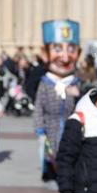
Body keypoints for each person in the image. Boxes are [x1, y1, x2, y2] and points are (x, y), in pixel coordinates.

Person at [33, 22, 82, 177]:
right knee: (51, 153)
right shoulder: (45, 82)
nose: (65, 57)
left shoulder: (77, 82)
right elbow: (39, 106)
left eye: (71, 49)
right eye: (57, 49)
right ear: (45, 53)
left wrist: (78, 95)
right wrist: (39, 126)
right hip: (51, 127)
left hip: (72, 127)